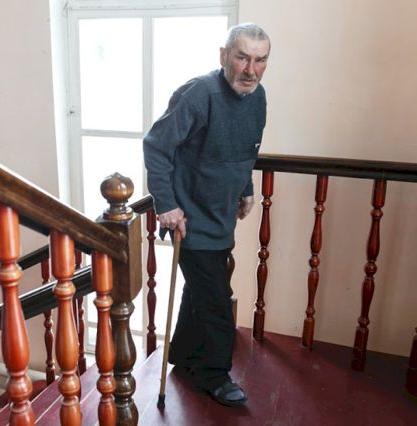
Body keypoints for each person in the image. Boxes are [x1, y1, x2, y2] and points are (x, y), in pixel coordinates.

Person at [143, 22, 270, 407]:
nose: (251, 70)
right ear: (224, 56)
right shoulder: (198, 94)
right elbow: (157, 147)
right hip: (188, 220)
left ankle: (182, 352)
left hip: (221, 218)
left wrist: (245, 188)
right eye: (242, 58)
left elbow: (247, 150)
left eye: (260, 60)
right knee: (216, 299)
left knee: (200, 288)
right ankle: (215, 375)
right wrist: (166, 204)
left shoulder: (258, 98)